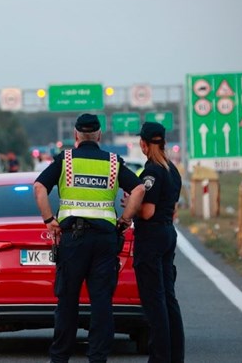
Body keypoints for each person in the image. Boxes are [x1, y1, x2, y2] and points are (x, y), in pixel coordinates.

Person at [34, 113, 145, 363]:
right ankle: (97, 358)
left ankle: (60, 357)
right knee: (102, 302)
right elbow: (138, 189)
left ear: (75, 135)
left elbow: (39, 187)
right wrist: (125, 220)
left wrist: (49, 220)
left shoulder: (66, 161)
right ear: (99, 135)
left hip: (73, 240)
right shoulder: (113, 163)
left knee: (67, 302)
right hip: (105, 241)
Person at [131, 121, 185, 363]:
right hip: (167, 234)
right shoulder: (173, 170)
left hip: (151, 237)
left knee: (154, 302)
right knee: (168, 299)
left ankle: (159, 358)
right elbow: (170, 208)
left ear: (143, 144)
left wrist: (130, 207)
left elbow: (147, 212)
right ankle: (175, 356)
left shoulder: (152, 171)